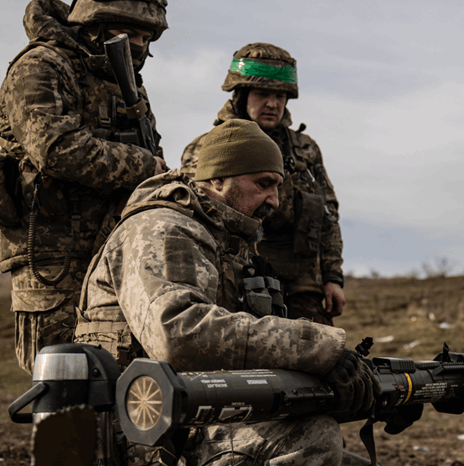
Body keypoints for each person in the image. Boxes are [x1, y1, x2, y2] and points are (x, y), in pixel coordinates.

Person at [75, 119, 380, 466]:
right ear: (218, 179)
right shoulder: (162, 229)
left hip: (190, 418)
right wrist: (318, 349)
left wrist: (370, 396)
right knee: (315, 438)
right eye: (264, 184)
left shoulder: (229, 247)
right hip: (140, 429)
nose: (274, 200)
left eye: (278, 186)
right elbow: (179, 334)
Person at [0, 0, 169, 374]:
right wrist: (144, 166)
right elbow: (55, 149)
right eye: (130, 32)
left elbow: (151, 154)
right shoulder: (41, 66)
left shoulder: (126, 85)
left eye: (147, 37)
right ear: (95, 23)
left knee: (118, 377)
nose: (139, 46)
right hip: (54, 260)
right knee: (62, 380)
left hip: (114, 250)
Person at [180, 42, 345, 327]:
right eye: (262, 94)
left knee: (323, 347)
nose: (272, 103)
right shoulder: (208, 148)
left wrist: (333, 277)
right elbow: (191, 214)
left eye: (280, 96)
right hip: (236, 277)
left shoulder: (305, 150)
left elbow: (327, 216)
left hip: (301, 283)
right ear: (241, 95)